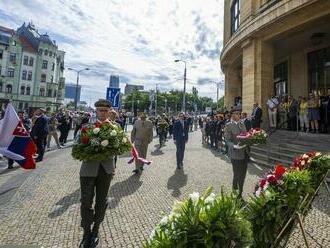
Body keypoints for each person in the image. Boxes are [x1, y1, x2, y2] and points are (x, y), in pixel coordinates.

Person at [79, 99, 116, 248]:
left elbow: (120, 149)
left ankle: (96, 230)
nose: (102, 113)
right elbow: (78, 145)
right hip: (88, 169)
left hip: (105, 170)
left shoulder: (116, 128)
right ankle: (86, 232)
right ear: (96, 111)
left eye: (105, 110)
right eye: (100, 110)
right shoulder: (87, 127)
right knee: (86, 201)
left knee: (101, 201)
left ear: (109, 112)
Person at [224, 108, 249, 198]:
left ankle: (240, 192)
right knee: (237, 174)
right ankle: (236, 192)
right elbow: (227, 140)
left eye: (239, 113)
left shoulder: (242, 124)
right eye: (236, 113)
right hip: (235, 153)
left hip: (245, 153)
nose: (238, 115)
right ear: (232, 115)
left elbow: (246, 136)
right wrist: (234, 146)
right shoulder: (228, 125)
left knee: (243, 174)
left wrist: (253, 140)